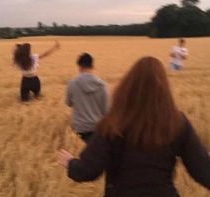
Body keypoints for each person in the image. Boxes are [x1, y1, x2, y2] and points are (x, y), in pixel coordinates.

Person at [58, 56, 210, 197]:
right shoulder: (177, 121)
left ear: (128, 87)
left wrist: (71, 164)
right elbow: (203, 169)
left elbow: (88, 170)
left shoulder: (113, 122)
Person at [66, 53, 108, 143]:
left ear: (79, 66)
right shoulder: (102, 85)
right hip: (98, 128)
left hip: (79, 128)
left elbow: (68, 103)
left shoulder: (72, 83)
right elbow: (106, 110)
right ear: (92, 66)